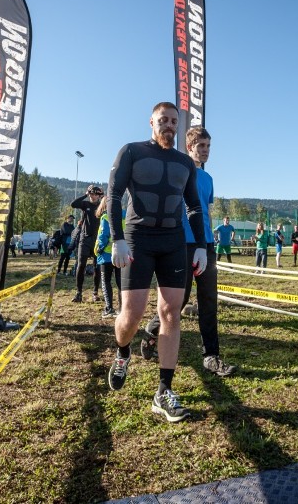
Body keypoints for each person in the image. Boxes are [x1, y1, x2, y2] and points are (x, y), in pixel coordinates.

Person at [106, 101, 208, 423]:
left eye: (173, 121)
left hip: (173, 242)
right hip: (137, 239)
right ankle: (123, 353)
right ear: (151, 121)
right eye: (162, 120)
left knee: (170, 313)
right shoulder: (132, 152)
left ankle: (163, 391)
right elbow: (113, 195)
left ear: (178, 126)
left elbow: (194, 207)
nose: (168, 125)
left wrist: (202, 247)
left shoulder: (185, 163)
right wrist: (117, 239)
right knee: (132, 314)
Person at [140, 127, 236, 377]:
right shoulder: (177, 172)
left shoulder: (208, 179)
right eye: (200, 146)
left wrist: (208, 240)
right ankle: (152, 330)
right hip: (180, 244)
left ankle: (211, 356)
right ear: (189, 147)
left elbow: (205, 210)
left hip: (206, 246)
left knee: (208, 301)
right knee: (177, 301)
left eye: (208, 146)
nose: (205, 151)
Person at [70, 185, 104, 302]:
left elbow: (112, 206)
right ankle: (79, 293)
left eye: (95, 194)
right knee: (81, 265)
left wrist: (103, 197)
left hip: (97, 240)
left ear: (99, 195)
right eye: (91, 194)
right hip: (84, 239)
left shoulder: (102, 206)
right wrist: (85, 194)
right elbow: (73, 204)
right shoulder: (85, 205)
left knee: (97, 267)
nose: (92, 196)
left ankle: (95, 293)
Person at [95, 200, 121, 318]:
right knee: (121, 283)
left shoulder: (105, 217)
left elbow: (103, 235)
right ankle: (122, 309)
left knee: (106, 281)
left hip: (106, 255)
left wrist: (99, 249)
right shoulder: (125, 214)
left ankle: (109, 308)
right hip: (121, 254)